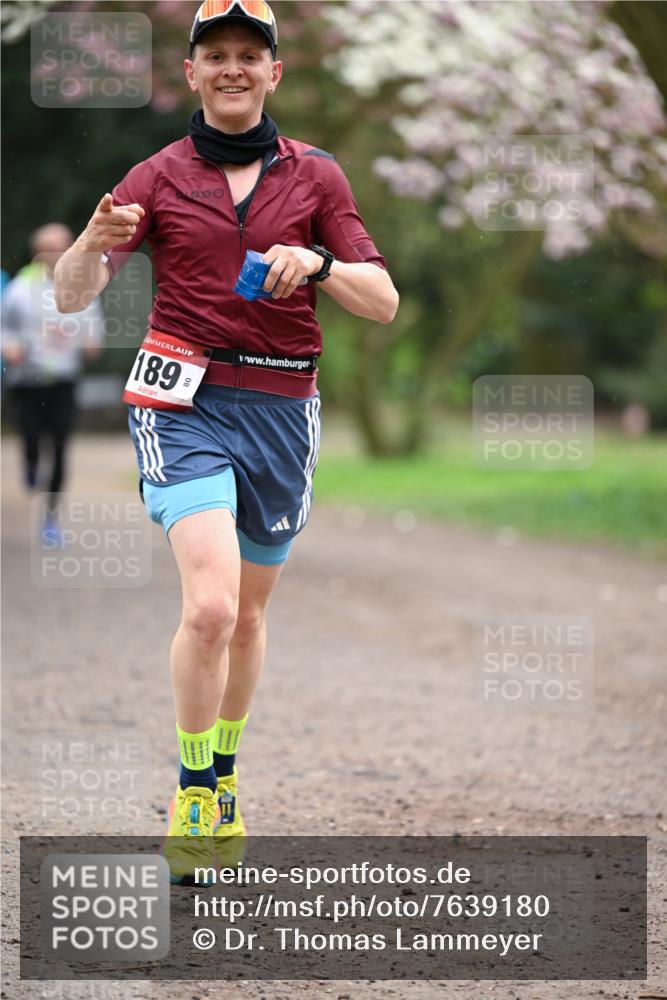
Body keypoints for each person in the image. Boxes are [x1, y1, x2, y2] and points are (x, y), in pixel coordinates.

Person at [54, 0, 398, 882]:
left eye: (251, 54)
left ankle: (226, 770)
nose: (234, 68)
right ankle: (192, 788)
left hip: (282, 407)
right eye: (217, 55)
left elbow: (382, 301)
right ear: (193, 74)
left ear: (274, 72)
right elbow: (68, 295)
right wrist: (92, 241)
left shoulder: (317, 177)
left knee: (247, 614)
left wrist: (320, 265)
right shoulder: (156, 175)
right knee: (207, 607)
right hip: (182, 400)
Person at [2, 224, 103, 542]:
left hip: (63, 380)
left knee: (60, 450)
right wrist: (10, 347)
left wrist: (92, 342)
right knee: (31, 440)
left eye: (63, 245)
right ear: (38, 252)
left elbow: (94, 326)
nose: (58, 251)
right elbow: (4, 328)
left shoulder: (82, 283)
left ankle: (50, 519)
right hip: (27, 381)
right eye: (51, 246)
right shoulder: (20, 287)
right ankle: (30, 464)